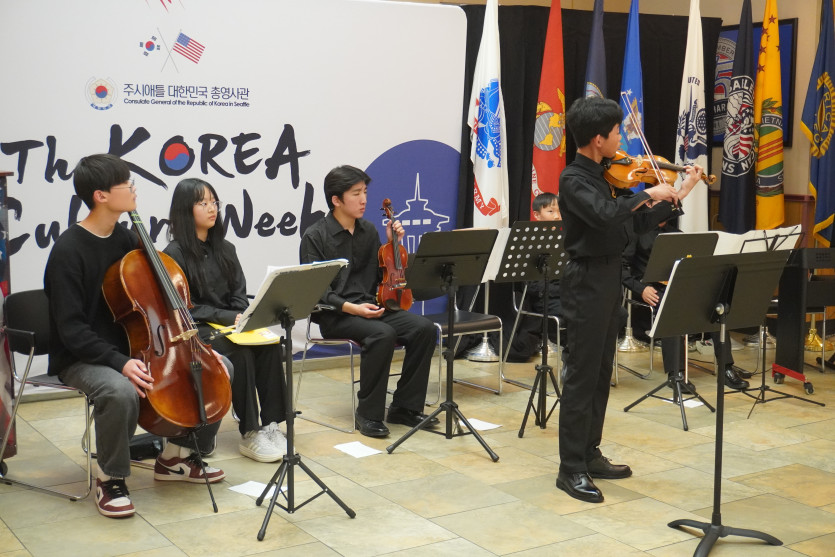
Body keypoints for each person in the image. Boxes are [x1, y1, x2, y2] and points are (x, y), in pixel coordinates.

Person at [44, 154, 231, 519]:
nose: (133, 190)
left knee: (220, 369)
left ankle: (176, 457)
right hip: (82, 357)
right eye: (126, 184)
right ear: (101, 196)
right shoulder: (69, 250)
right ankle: (110, 477)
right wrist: (120, 363)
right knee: (120, 389)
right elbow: (72, 330)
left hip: (138, 348)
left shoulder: (127, 238)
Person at [555, 96, 702, 504]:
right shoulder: (573, 179)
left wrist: (680, 191)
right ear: (598, 139)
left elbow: (632, 224)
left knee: (602, 371)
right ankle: (570, 468)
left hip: (607, 278)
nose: (621, 139)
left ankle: (590, 452)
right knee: (582, 375)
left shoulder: (606, 177)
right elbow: (605, 214)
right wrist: (647, 191)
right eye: (617, 132)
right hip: (585, 280)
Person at [299, 165, 438, 438]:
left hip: (371, 306)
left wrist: (393, 244)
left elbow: (382, 276)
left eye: (364, 192)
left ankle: (405, 407)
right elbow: (317, 291)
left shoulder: (369, 231)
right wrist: (353, 308)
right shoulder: (315, 236)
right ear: (336, 200)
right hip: (336, 314)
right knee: (382, 334)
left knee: (423, 329)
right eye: (356, 193)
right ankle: (368, 414)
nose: (363, 199)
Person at [163, 178, 288, 463]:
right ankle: (250, 431)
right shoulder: (174, 254)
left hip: (231, 324)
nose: (212, 209)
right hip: (196, 329)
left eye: (214, 202)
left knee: (269, 345)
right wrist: (228, 317)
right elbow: (185, 308)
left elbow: (239, 294)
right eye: (203, 203)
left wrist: (242, 317)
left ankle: (271, 424)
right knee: (240, 354)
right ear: (185, 209)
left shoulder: (226, 248)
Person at [622, 220, 750, 391]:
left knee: (715, 305)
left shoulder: (677, 234)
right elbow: (622, 267)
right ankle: (676, 375)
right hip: (649, 288)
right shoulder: (637, 232)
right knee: (672, 306)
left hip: (679, 284)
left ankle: (726, 368)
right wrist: (641, 289)